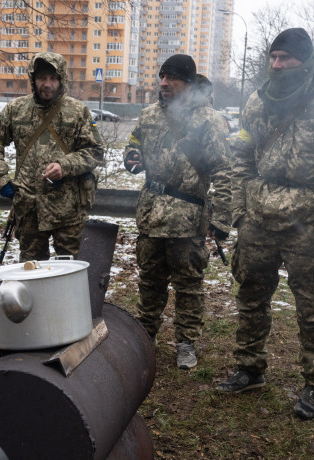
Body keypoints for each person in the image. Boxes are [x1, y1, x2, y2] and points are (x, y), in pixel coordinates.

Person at [216, 28, 314, 421]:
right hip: (258, 219)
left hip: (308, 222)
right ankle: (250, 369)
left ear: (305, 59)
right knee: (251, 296)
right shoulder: (256, 101)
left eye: (285, 57)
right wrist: (239, 211)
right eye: (273, 57)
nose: (277, 64)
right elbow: (241, 156)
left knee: (313, 306)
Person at [123, 54, 231, 369]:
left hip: (188, 219)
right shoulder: (149, 115)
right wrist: (131, 156)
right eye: (162, 77)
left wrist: (222, 220)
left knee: (189, 285)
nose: (164, 83)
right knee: (150, 281)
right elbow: (133, 143)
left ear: (188, 82)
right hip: (152, 216)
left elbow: (225, 173)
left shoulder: (209, 120)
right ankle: (146, 336)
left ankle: (186, 343)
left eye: (172, 78)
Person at [0, 52, 103, 261]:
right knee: (31, 269)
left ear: (62, 79)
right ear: (33, 79)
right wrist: (2, 179)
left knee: (71, 269)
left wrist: (64, 166)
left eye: (53, 78)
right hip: (29, 207)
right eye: (42, 78)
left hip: (68, 207)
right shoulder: (15, 109)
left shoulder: (77, 111)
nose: (47, 84)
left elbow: (95, 151)